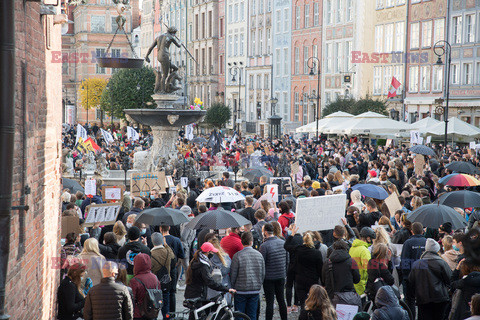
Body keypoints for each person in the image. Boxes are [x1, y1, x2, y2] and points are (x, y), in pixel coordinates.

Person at [408, 238, 452, 320]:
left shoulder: (418, 263)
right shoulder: (441, 263)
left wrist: (414, 295)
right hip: (440, 297)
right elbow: (450, 280)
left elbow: (411, 281)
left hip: (423, 298)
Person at [230, 232, 266, 320]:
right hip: (254, 290)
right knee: (252, 315)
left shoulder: (237, 256)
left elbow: (233, 274)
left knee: (239, 315)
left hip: (240, 290)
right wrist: (258, 285)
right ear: (251, 241)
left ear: (242, 242)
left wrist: (232, 288)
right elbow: (262, 273)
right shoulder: (259, 255)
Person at [259, 223, 288, 320]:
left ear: (265, 232)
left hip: (269, 278)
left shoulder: (264, 246)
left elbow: (262, 263)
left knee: (270, 302)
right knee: (281, 300)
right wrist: (284, 272)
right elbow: (287, 259)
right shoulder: (282, 242)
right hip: (281, 275)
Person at [322, 240, 361, 309]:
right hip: (348, 297)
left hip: (332, 297)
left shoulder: (327, 262)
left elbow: (323, 280)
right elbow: (357, 280)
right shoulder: (351, 261)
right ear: (346, 248)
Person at [400, 222, 426, 319]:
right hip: (424, 276)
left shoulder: (408, 243)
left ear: (412, 231)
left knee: (409, 300)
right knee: (423, 300)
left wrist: (405, 275)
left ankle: (411, 317)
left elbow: (405, 260)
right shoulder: (427, 242)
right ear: (422, 231)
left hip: (410, 276)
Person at [160, 225, 185, 316]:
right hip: (173, 269)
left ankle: (165, 314)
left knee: (163, 292)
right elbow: (182, 255)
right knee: (172, 292)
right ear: (169, 228)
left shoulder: (159, 241)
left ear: (160, 229)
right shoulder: (176, 240)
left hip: (161, 270)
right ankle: (172, 314)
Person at [294, 231, 323, 308]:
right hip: (312, 280)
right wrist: (323, 283)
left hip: (300, 280)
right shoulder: (317, 253)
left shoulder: (298, 251)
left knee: (303, 303)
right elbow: (320, 269)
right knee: (313, 302)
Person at [150, 232, 174, 319]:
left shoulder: (151, 254)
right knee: (166, 307)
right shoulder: (167, 251)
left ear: (152, 241)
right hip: (166, 281)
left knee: (154, 308)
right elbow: (173, 256)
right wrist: (166, 245)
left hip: (155, 284)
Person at [129, 253, 161, 320]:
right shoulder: (155, 278)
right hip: (152, 312)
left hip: (139, 314)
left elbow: (131, 299)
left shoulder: (135, 281)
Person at [349, 227, 375, 295]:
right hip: (362, 285)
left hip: (353, 283)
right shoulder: (364, 251)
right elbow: (368, 269)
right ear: (368, 238)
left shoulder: (352, 248)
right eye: (372, 239)